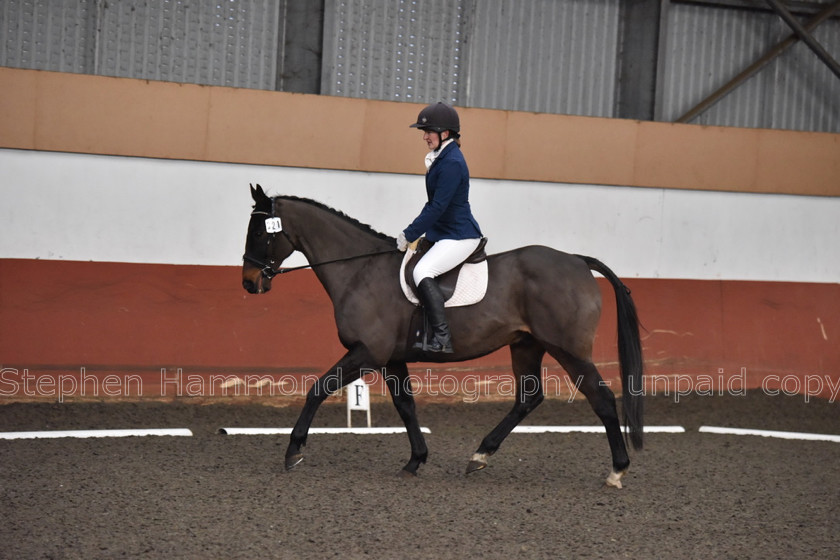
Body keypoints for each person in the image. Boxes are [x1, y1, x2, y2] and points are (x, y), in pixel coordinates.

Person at [396, 102, 483, 353]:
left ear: (445, 133)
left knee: (422, 271)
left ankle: (442, 338)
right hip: (443, 233)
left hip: (459, 235)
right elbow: (432, 205)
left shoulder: (452, 162)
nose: (424, 137)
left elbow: (438, 208)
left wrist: (409, 233)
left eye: (428, 131)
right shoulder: (442, 157)